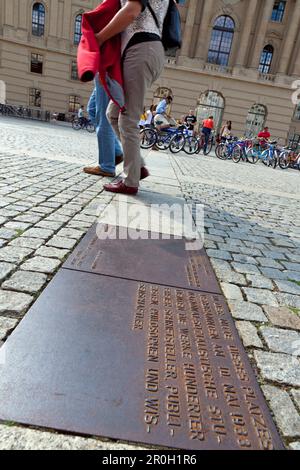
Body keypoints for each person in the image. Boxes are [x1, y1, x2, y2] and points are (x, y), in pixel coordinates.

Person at [95, 0, 169, 196]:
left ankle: (130, 180)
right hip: (147, 49)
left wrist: (100, 38)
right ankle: (138, 166)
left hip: (141, 48)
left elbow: (132, 10)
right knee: (113, 112)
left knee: (128, 118)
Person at [83, 75, 123, 177]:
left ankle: (107, 166)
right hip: (101, 71)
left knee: (104, 119)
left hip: (105, 70)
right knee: (92, 109)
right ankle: (116, 153)